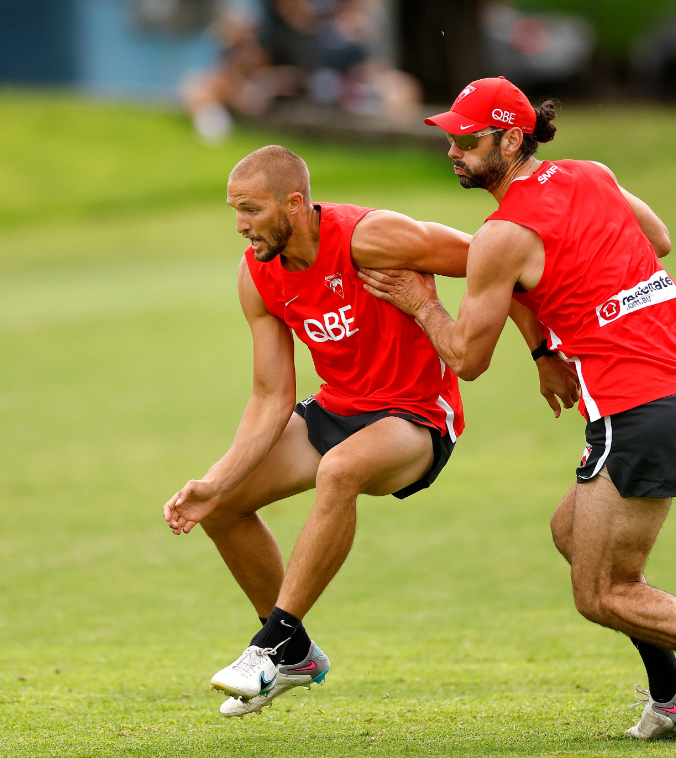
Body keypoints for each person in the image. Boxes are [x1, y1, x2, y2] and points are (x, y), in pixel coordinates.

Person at [358, 77, 676, 741]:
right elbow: (655, 238)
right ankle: (672, 697)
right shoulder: (591, 174)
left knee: (601, 592)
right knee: (570, 533)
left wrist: (418, 300)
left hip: (637, 411)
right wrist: (557, 331)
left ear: (511, 138)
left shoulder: (500, 235)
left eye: (469, 139)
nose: (454, 151)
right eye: (449, 138)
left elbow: (465, 358)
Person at [163, 145, 468, 717]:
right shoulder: (257, 275)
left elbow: (499, 260)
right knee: (223, 506)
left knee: (341, 468)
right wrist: (216, 480)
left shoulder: (371, 237)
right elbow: (271, 395)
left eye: (251, 210)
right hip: (338, 409)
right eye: (234, 210)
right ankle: (296, 654)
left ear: (295, 204)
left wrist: (545, 347)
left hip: (417, 414)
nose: (240, 226)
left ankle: (271, 644)